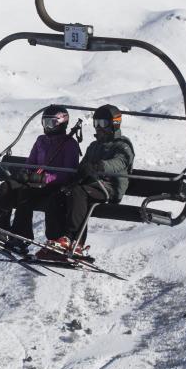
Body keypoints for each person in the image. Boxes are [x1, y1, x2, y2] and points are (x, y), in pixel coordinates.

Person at [38, 104, 134, 259]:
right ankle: (55, 240)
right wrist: (74, 178)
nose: (98, 128)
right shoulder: (94, 146)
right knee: (59, 194)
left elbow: (119, 163)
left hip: (110, 187)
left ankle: (74, 240)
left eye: (102, 124)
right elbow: (83, 168)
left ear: (114, 124)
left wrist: (99, 166)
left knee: (78, 192)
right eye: (96, 124)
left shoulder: (123, 146)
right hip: (92, 185)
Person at [0, 105, 81, 252]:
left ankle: (21, 236)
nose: (47, 127)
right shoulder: (41, 141)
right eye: (45, 123)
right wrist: (25, 173)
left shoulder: (69, 145)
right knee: (7, 186)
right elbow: (30, 163)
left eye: (51, 123)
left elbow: (68, 173)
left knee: (25, 193)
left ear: (62, 123)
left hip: (54, 187)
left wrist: (45, 178)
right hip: (35, 183)